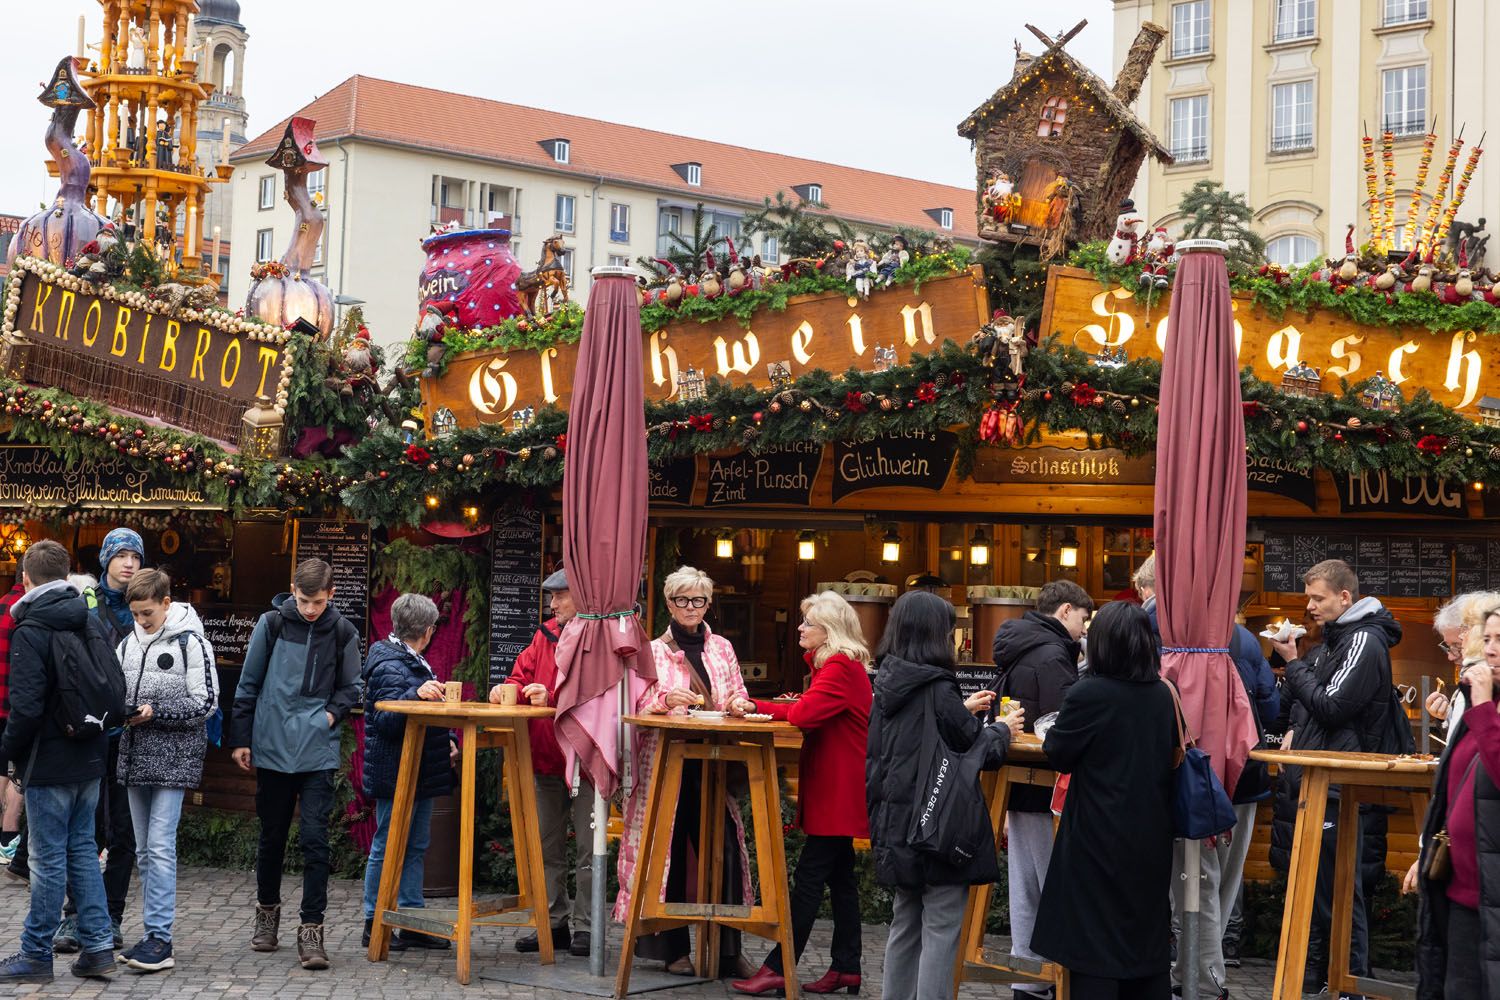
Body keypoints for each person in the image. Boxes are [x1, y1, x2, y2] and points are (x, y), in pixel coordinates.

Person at [866, 589, 1022, 1000]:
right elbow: (978, 751)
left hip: (896, 824)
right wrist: (1003, 728)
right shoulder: (938, 686)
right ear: (936, 634)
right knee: (940, 925)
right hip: (937, 828)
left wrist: (961, 709)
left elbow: (919, 738)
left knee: (905, 922)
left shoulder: (887, 682)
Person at [1269, 559, 1403, 997]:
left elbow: (1332, 706)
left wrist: (1295, 663)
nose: (1310, 606)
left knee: (1341, 896)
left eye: (1318, 598)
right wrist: (1294, 665)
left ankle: (1351, 990)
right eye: (1309, 597)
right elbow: (1299, 705)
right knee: (1323, 895)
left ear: (1345, 597)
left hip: (1342, 786)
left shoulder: (1364, 640)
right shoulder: (1333, 641)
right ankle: (1335, 985)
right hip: (1320, 782)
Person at [1031, 601, 1177, 1000]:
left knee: (1094, 948)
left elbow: (1059, 752)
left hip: (1097, 836)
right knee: (1145, 944)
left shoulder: (1089, 693)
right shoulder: (1165, 694)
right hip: (1152, 835)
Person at [730, 591, 873, 996]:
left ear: (828, 630)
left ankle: (778, 967)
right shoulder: (839, 666)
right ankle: (847, 966)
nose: (800, 628)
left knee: (809, 879)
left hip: (837, 791)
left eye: (807, 622)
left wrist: (752, 704)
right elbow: (810, 708)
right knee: (841, 877)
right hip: (839, 788)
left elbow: (804, 714)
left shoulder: (840, 667)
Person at [614, 566, 754, 979]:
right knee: (668, 852)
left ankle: (728, 949)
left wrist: (738, 705)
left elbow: (738, 691)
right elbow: (636, 704)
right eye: (681, 600)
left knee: (725, 851)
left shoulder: (723, 648)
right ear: (669, 603)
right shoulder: (653, 650)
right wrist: (664, 697)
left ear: (709, 604)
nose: (690, 608)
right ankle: (671, 949)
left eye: (698, 600)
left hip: (715, 762)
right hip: (668, 764)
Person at [227, 558, 362, 971]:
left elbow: (351, 686)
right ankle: (267, 914)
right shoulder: (271, 624)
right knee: (272, 836)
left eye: (318, 602)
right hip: (271, 743)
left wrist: (330, 716)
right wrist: (241, 739)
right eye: (304, 600)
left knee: (315, 840)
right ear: (292, 590)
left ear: (331, 595)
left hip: (317, 747)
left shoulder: (342, 631)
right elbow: (248, 683)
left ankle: (311, 929)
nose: (309, 609)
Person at [0, 541, 118, 982]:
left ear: (26, 580)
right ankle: (99, 949)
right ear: (67, 577)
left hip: (49, 761)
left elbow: (26, 709)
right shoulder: (89, 620)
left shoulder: (30, 630)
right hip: (90, 754)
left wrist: (6, 754)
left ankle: (35, 953)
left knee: (47, 860)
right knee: (83, 852)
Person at [984, 577, 1089, 999]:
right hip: (1046, 787)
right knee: (1051, 886)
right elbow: (1064, 725)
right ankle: (1053, 977)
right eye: (1083, 618)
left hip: (1015, 783)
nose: (1084, 629)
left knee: (1025, 889)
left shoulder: (1020, 645)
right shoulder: (1051, 655)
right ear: (1064, 611)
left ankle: (1027, 977)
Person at [113, 569, 219, 973]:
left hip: (174, 757)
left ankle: (160, 938)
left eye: (148, 613)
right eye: (136, 614)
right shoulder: (126, 645)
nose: (141, 621)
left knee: (159, 847)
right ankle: (151, 935)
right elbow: (117, 691)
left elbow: (206, 702)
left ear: (166, 604)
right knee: (143, 850)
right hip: (135, 755)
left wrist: (156, 713)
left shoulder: (193, 643)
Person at [487, 568, 593, 958]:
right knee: (547, 847)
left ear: (581, 596)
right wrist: (508, 688)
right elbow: (520, 675)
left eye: (560, 596)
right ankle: (553, 923)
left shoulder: (598, 638)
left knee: (588, 848)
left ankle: (586, 926)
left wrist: (547, 694)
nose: (553, 604)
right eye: (552, 597)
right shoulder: (544, 635)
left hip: (586, 761)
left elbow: (593, 693)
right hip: (546, 757)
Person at [52, 529, 143, 954]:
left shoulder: (150, 607)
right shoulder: (83, 603)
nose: (128, 563)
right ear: (106, 559)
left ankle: (112, 915)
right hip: (90, 732)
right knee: (83, 827)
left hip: (132, 734)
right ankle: (74, 916)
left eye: (134, 556)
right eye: (120, 555)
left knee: (122, 828)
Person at [360, 593, 454, 952]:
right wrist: (416, 693)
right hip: (395, 771)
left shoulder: (406, 659)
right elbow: (386, 721)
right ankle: (374, 922)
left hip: (418, 769)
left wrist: (445, 741)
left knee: (415, 846)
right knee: (387, 846)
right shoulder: (389, 664)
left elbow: (417, 715)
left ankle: (412, 922)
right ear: (428, 630)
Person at [1414, 603, 1500, 997]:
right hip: (1464, 891)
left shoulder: (1486, 705)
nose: (1491, 649)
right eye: (1488, 639)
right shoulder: (1484, 700)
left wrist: (1480, 707)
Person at [0, 567, 26, 866]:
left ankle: (3, 834)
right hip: (17, 705)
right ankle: (9, 836)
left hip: (1, 702)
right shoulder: (27, 612)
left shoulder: (2, 602)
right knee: (20, 770)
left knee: (1, 767)